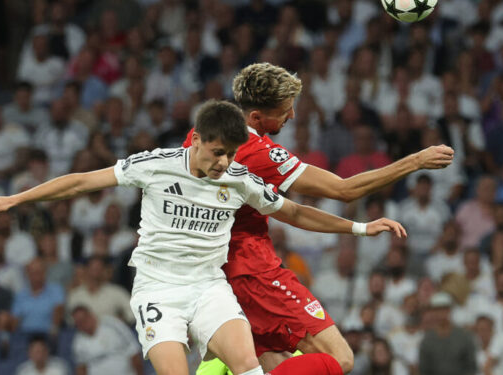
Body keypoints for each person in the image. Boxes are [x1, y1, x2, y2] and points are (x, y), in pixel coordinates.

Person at [0, 100, 407, 375]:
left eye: (232, 154)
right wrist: (15, 199)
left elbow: (293, 211)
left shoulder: (239, 178)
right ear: (197, 140)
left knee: (249, 367)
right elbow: (81, 182)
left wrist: (360, 227)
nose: (224, 163)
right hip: (158, 290)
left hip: (209, 288)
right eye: (217, 152)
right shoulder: (156, 164)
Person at [184, 63, 454, 373]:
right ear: (256, 117)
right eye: (285, 110)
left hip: (216, 273)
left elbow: (294, 212)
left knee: (276, 363)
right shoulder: (258, 152)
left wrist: (359, 228)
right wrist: (416, 160)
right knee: (340, 358)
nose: (292, 116)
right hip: (254, 272)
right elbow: (344, 189)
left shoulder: (201, 134)